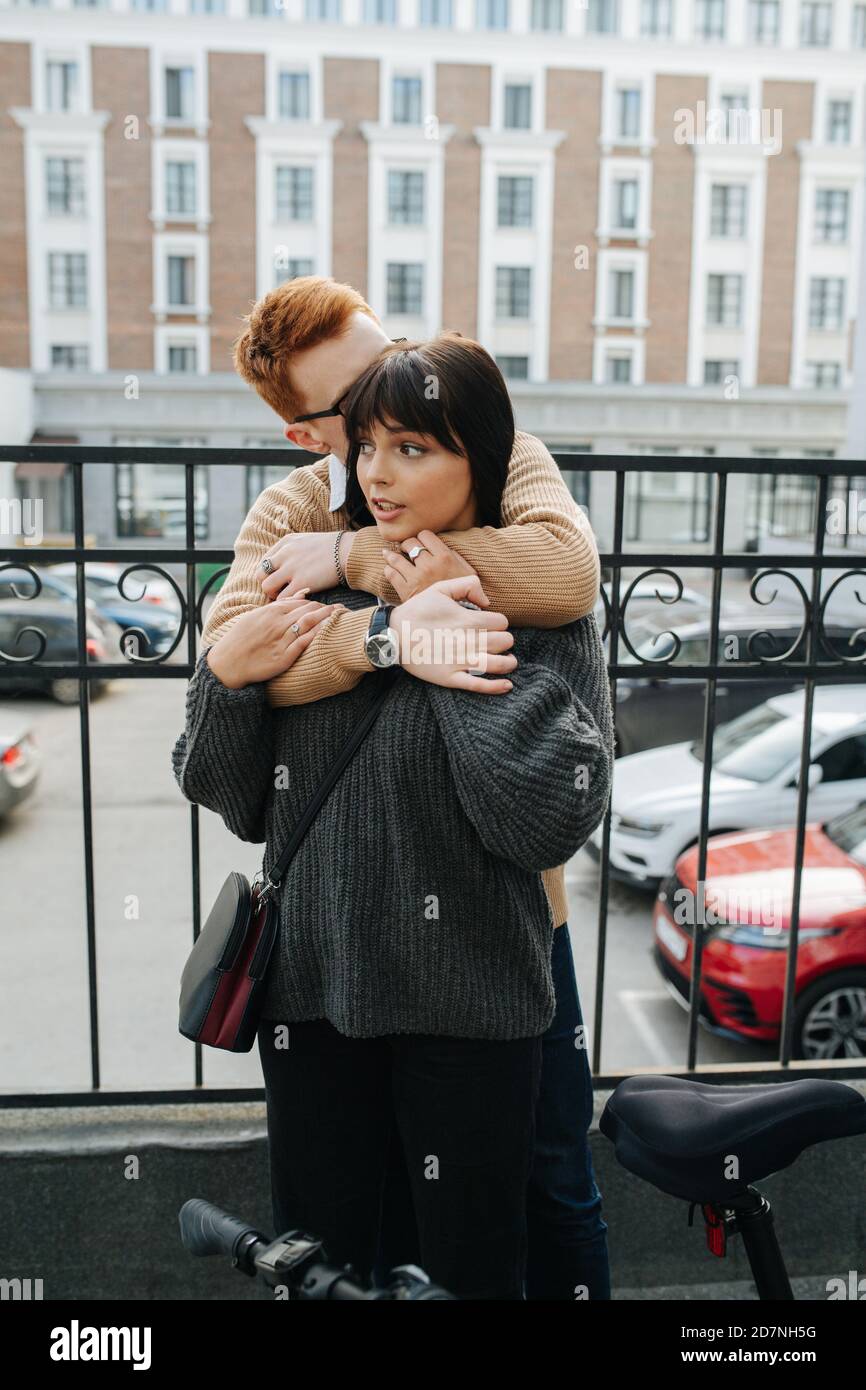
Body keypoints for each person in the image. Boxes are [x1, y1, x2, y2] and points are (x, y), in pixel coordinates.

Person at [173, 333, 614, 1299]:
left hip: (473, 1008)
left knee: (467, 1268)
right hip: (313, 1002)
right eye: (365, 443)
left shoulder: (536, 599)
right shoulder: (302, 565)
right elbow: (229, 795)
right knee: (321, 1267)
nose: (377, 471)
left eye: (413, 447)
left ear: (482, 458)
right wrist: (229, 680)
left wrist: (445, 640)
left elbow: (543, 818)